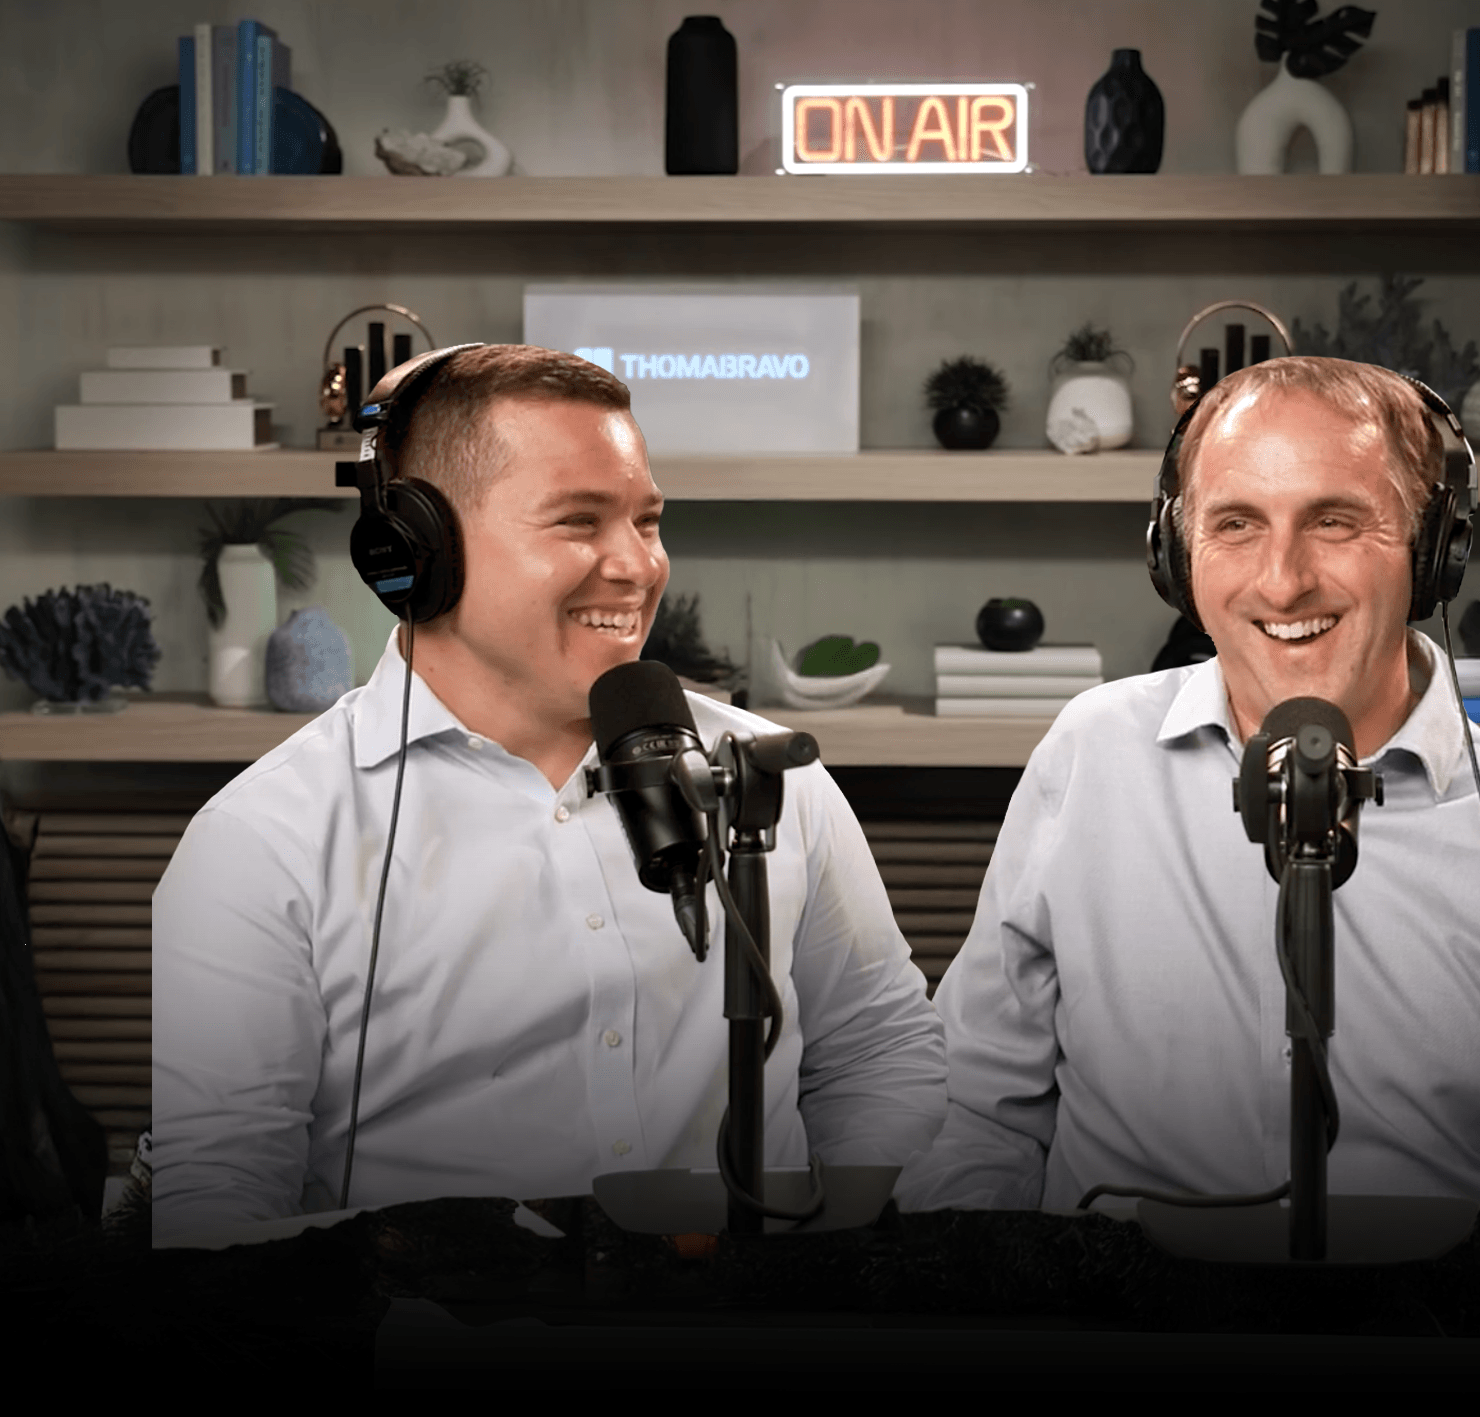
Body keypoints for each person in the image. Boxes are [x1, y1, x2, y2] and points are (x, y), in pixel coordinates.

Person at [152, 344, 945, 1243]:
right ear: (418, 550)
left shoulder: (767, 775)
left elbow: (879, 1051)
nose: (638, 566)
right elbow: (217, 1216)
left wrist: (827, 1258)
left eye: (648, 521)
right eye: (579, 521)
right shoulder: (261, 842)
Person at [899, 356, 1480, 1215]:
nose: (1283, 581)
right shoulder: (1090, 755)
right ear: (1175, 555)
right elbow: (975, 1115)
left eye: (1334, 521)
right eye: (1236, 524)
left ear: (1434, 552)